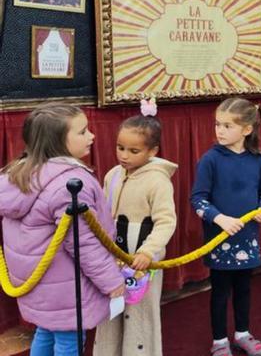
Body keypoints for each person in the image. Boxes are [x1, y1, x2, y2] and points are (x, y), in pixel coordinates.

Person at [0, 103, 124, 356]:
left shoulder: (18, 173)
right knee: (68, 341)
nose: (92, 136)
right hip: (66, 285)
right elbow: (83, 243)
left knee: (46, 331)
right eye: (82, 131)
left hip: (40, 283)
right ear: (58, 141)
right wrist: (111, 281)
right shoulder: (69, 186)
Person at [94, 99, 178, 355]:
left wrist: (148, 252)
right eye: (120, 148)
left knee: (140, 314)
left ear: (152, 151)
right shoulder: (112, 175)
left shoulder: (158, 182)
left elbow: (166, 221)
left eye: (133, 151)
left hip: (143, 261)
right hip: (113, 258)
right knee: (109, 311)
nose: (123, 155)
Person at [191, 98, 261, 356]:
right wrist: (219, 218)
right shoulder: (210, 160)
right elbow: (198, 199)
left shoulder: (259, 160)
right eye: (217, 124)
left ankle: (242, 333)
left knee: (244, 288)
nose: (219, 131)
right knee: (220, 291)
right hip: (219, 238)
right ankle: (219, 341)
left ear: (247, 129)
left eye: (227, 125)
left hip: (247, 237)